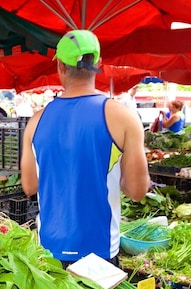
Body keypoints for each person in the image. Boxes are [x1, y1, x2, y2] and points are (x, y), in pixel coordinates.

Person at [20, 29, 149, 265]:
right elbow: (137, 191)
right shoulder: (124, 118)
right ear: (99, 63)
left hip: (50, 249)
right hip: (99, 252)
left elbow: (29, 186)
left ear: (59, 66)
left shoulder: (35, 122)